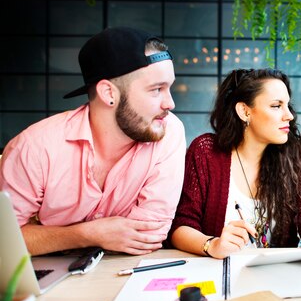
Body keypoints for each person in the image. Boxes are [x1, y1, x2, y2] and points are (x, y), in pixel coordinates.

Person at [0, 27, 186, 256]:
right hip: (48, 282)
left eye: (169, 88)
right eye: (157, 89)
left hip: (127, 271)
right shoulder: (35, 147)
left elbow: (148, 236)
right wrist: (87, 234)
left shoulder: (169, 131)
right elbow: (5, 241)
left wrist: (48, 236)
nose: (170, 103)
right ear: (109, 93)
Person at [170, 69, 301, 272]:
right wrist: (212, 245)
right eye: (276, 106)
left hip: (277, 277)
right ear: (244, 111)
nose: (289, 115)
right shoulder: (205, 152)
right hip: (219, 276)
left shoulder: (291, 154)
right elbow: (181, 226)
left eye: (287, 105)